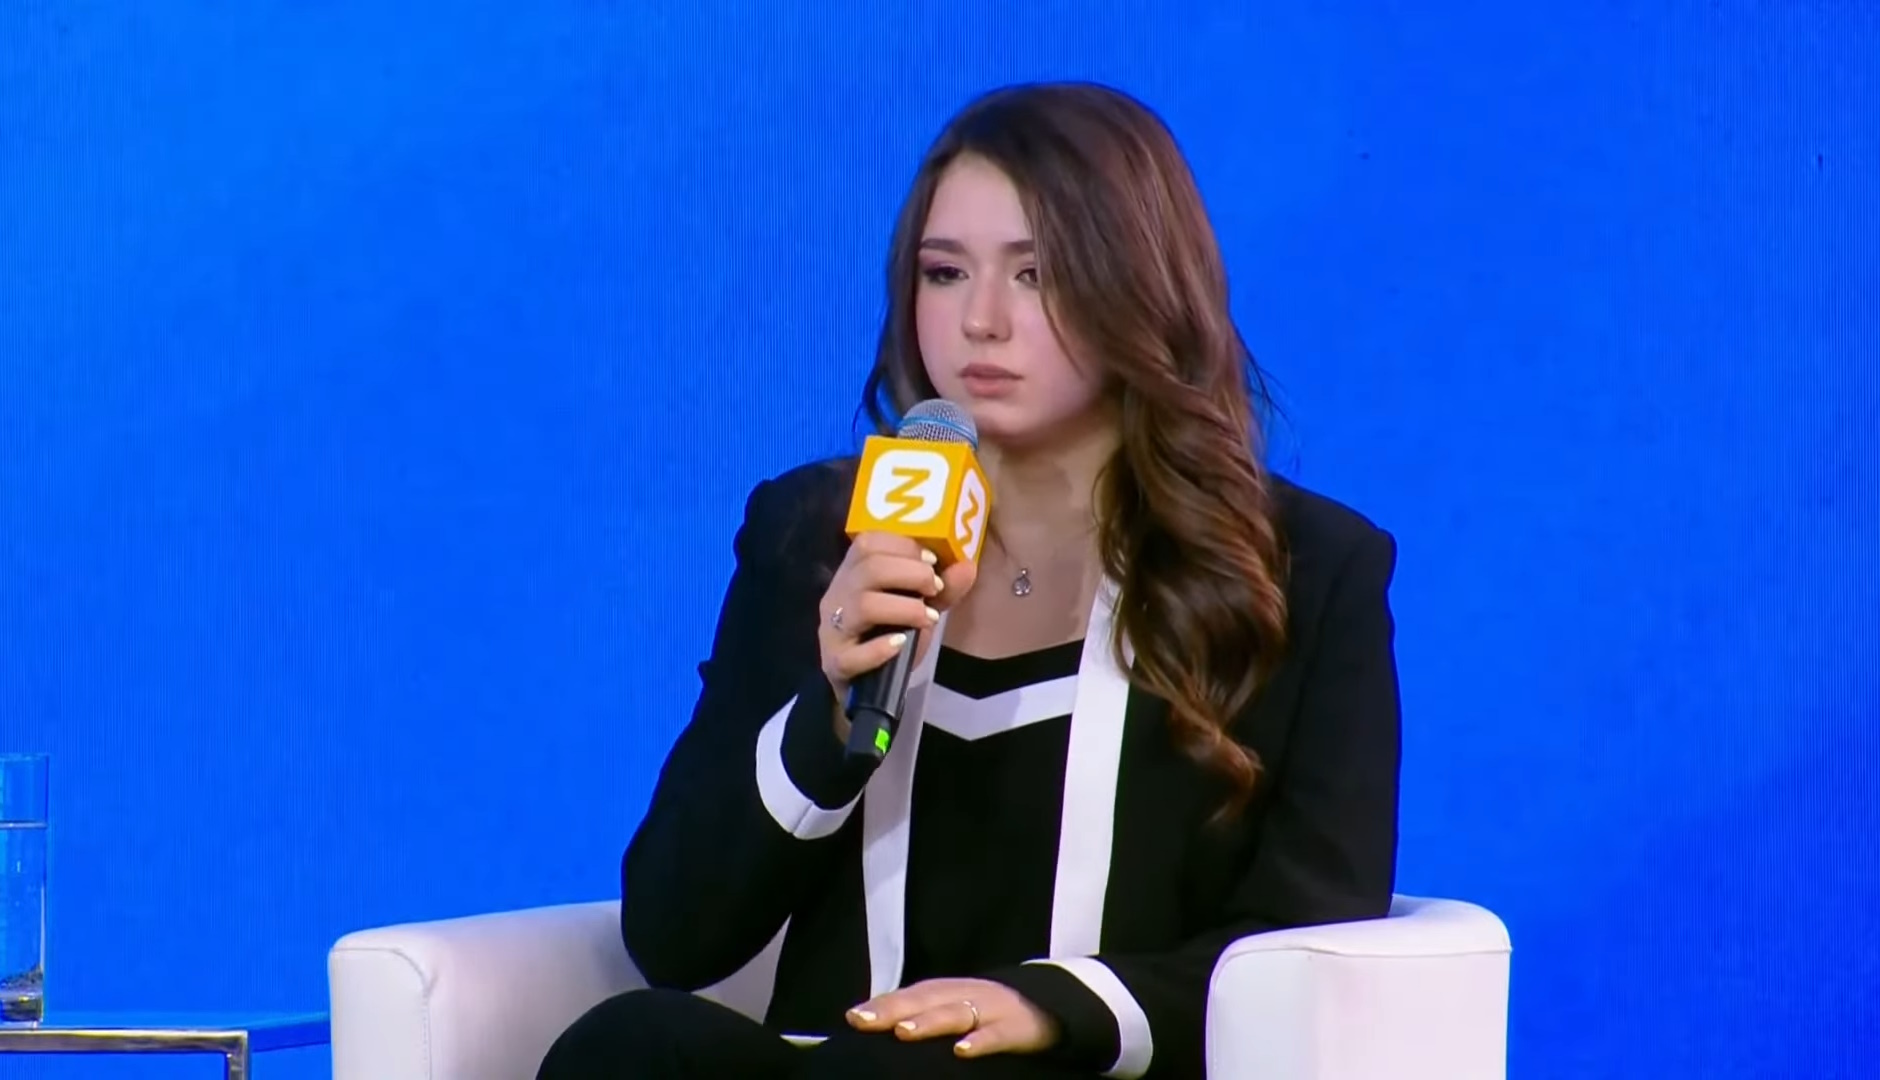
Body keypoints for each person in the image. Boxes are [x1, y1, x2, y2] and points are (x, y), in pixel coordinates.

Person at [538, 80, 1401, 1080]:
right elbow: (674, 935)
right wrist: (831, 714)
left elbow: (1311, 944)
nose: (980, 321)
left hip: (1089, 1066)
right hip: (842, 1061)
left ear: (1141, 286)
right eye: (944, 273)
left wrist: (1052, 1007)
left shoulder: (1302, 569)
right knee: (632, 1046)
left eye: (1037, 274)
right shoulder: (813, 536)